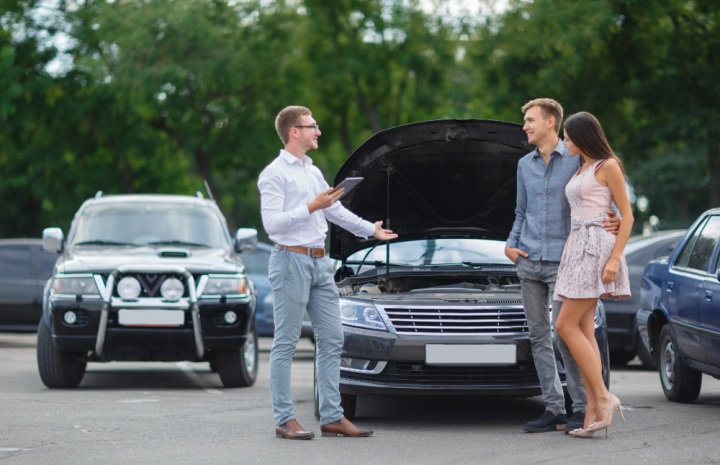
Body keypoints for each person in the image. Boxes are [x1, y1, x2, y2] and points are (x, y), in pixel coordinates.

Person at [258, 105, 397, 440]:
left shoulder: (312, 170)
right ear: (295, 131)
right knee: (287, 343)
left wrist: (370, 230)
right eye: (312, 126)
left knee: (333, 338)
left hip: (321, 264)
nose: (318, 131)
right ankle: (284, 419)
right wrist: (312, 207)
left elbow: (334, 210)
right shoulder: (274, 173)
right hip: (291, 261)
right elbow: (272, 226)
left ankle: (333, 417)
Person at [505, 98, 621, 434]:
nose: (525, 125)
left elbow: (601, 196)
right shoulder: (523, 165)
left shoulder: (576, 158)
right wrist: (511, 245)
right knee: (539, 336)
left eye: (529, 120)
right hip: (528, 260)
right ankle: (554, 408)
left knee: (565, 336)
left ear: (551, 122)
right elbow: (521, 212)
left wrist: (612, 220)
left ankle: (583, 405)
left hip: (566, 261)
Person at [553, 112, 632, 438]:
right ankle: (592, 413)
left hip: (596, 249)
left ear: (584, 137)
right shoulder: (581, 167)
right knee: (583, 328)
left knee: (564, 326)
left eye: (568, 137)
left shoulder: (607, 165)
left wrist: (614, 258)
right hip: (575, 248)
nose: (565, 142)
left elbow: (626, 217)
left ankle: (604, 397)